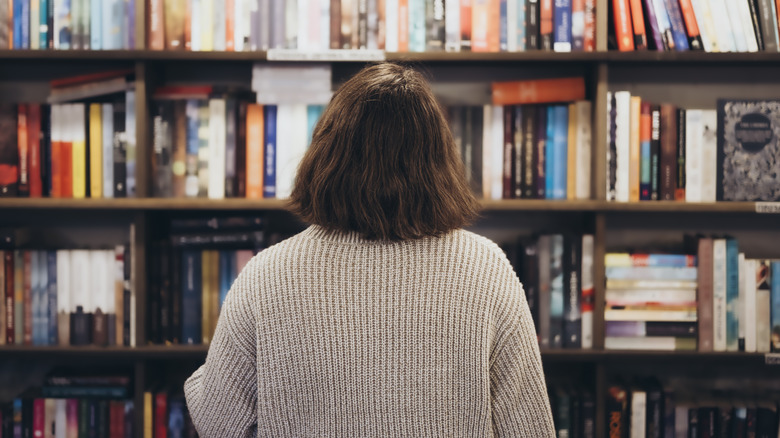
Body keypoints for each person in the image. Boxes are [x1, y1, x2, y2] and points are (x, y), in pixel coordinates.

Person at [184, 62, 556, 437]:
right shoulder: (486, 268)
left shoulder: (266, 274)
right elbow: (529, 428)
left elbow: (218, 423)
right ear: (440, 159)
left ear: (326, 154)